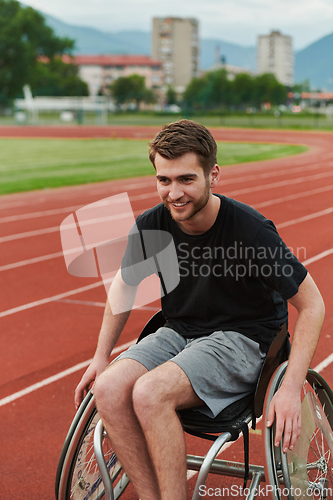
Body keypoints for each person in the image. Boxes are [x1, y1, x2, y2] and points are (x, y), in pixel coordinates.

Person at [75, 120, 325, 500]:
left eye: (186, 179)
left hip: (244, 340)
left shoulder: (251, 231)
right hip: (181, 331)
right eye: (164, 180)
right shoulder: (151, 226)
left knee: (149, 393)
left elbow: (312, 304)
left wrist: (291, 385)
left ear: (213, 175)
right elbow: (123, 287)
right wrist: (99, 355)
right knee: (107, 388)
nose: (174, 193)